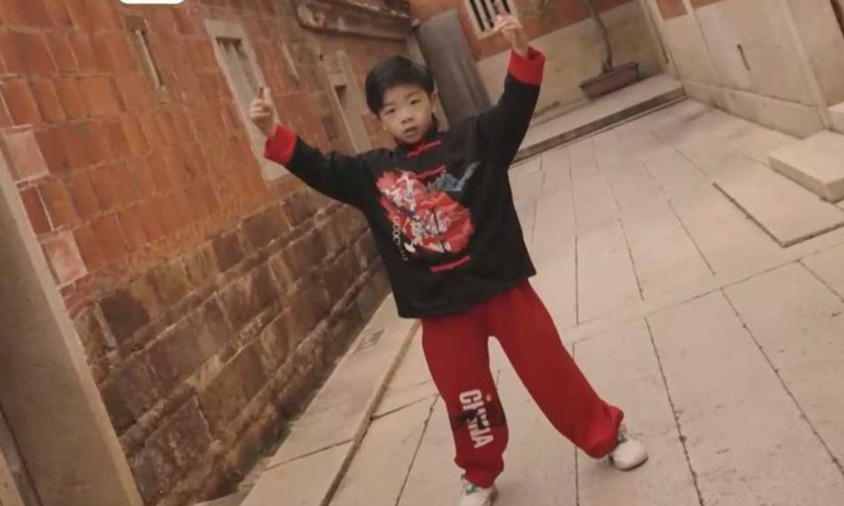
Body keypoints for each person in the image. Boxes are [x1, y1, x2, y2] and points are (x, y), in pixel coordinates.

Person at [250, 6, 647, 505]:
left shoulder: (476, 140)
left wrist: (521, 53)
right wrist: (273, 131)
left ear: (431, 99)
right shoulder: (372, 174)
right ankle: (479, 473)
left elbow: (514, 110)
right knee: (466, 396)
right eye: (391, 111)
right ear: (379, 119)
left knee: (550, 369)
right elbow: (321, 168)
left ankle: (606, 435)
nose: (405, 116)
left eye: (413, 102)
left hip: (503, 290)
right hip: (441, 311)